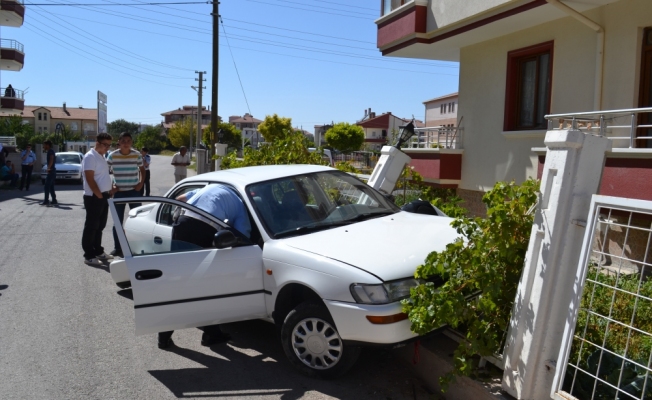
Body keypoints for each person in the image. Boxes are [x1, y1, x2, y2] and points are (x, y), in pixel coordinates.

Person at [157, 183, 251, 349]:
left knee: (179, 282)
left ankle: (203, 333)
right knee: (204, 285)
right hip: (203, 230)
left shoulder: (211, 187)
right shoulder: (239, 203)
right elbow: (243, 235)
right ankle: (209, 333)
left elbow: (181, 199)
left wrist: (178, 218)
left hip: (182, 224)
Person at [107, 132, 144, 258]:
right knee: (117, 222)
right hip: (119, 193)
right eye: (123, 141)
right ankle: (118, 248)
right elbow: (104, 171)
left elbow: (142, 170)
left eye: (129, 141)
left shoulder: (137, 155)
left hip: (134, 192)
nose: (126, 143)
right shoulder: (112, 156)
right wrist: (110, 187)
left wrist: (140, 183)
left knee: (138, 221)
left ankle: (137, 247)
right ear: (119, 142)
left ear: (132, 142)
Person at [81, 133, 117, 266]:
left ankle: (98, 250)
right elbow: (89, 178)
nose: (107, 148)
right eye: (105, 145)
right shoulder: (90, 157)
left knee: (100, 226)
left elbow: (101, 176)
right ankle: (89, 255)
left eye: (109, 145)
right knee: (91, 227)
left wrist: (109, 188)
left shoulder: (101, 156)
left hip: (104, 195)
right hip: (94, 197)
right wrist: (99, 194)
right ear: (97, 142)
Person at [41, 140, 58, 207]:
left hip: (51, 171)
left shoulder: (50, 151)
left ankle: (46, 200)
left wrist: (48, 168)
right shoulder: (50, 151)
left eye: (44, 145)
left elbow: (51, 159)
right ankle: (54, 200)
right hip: (52, 171)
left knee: (46, 186)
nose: (43, 146)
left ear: (48, 145)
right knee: (51, 187)